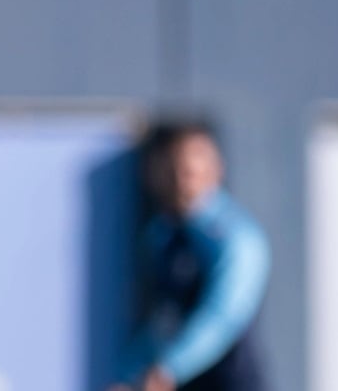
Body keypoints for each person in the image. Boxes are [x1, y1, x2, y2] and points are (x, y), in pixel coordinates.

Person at [110, 117, 270, 391]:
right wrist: (128, 374)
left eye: (188, 173)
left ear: (215, 170)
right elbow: (164, 320)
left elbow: (224, 315)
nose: (180, 184)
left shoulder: (236, 238)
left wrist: (169, 368)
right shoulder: (161, 235)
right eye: (171, 172)